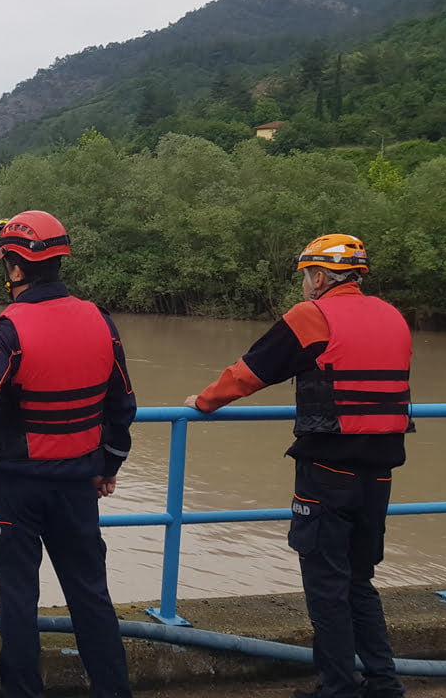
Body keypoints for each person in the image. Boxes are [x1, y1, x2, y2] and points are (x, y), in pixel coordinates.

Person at [184, 234, 410, 698]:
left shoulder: (313, 316)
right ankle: (384, 683)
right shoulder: (393, 316)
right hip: (381, 472)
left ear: (321, 276)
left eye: (307, 275)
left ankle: (337, 688)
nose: (305, 284)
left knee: (327, 586)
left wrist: (203, 401)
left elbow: (252, 370)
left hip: (328, 471)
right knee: (360, 581)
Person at [0, 211, 136, 698]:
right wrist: (107, 465)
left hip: (17, 487)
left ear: (14, 268)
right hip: (79, 483)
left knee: (18, 599)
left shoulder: (9, 327)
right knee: (91, 596)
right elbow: (123, 406)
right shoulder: (100, 319)